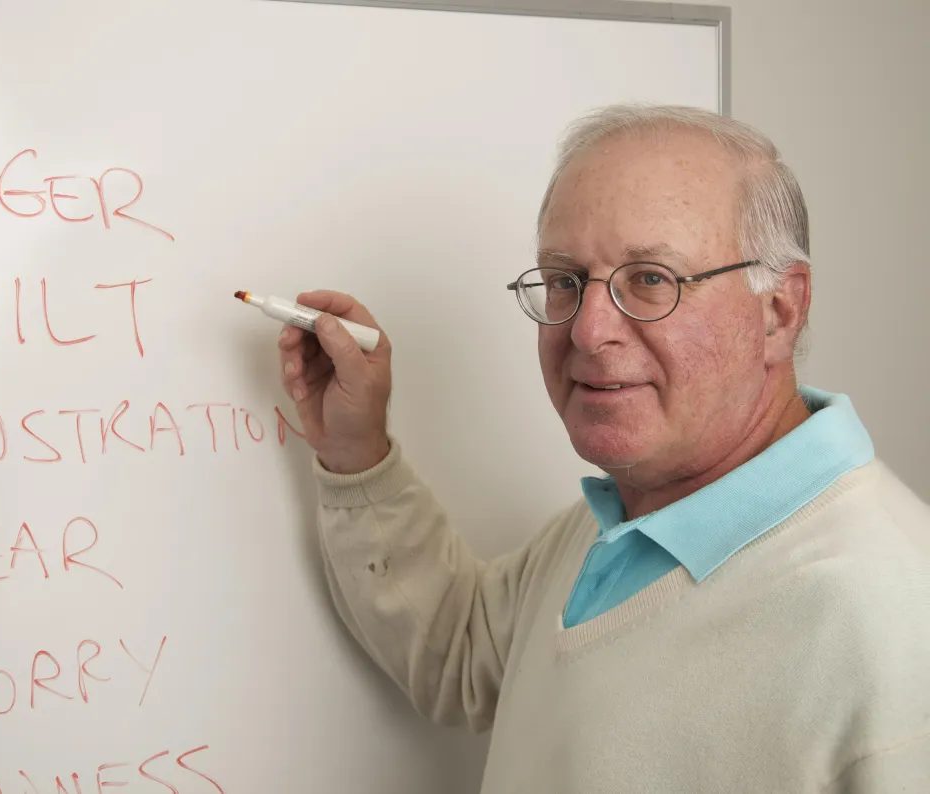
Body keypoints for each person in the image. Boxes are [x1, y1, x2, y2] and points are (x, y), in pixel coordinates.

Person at [276, 104, 930, 793]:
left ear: (779, 311)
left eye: (651, 279)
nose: (588, 331)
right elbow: (463, 653)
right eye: (564, 280)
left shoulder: (889, 621)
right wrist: (357, 448)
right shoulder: (619, 522)